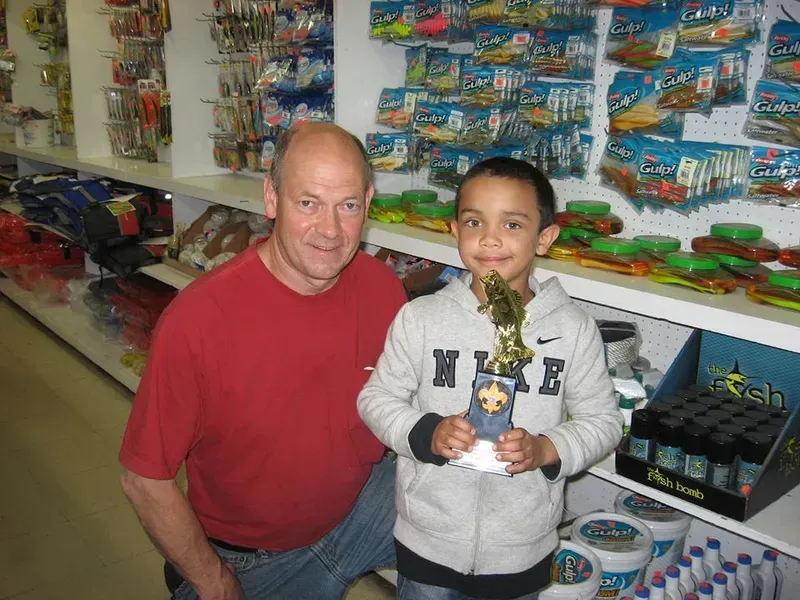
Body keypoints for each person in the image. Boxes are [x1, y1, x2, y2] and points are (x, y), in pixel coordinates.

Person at [119, 123, 407, 600]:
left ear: (368, 202)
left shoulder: (382, 288)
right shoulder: (198, 320)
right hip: (247, 557)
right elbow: (143, 478)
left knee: (480, 534)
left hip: (356, 509)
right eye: (308, 203)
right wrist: (215, 582)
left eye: (348, 206)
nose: (331, 231)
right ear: (271, 198)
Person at [357, 158, 623, 600]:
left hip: (521, 549)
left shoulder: (573, 330)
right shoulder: (421, 318)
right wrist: (426, 432)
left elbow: (603, 421)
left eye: (513, 224)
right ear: (455, 230)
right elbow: (376, 399)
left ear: (545, 238)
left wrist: (546, 449)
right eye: (474, 221)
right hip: (428, 543)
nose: (491, 238)